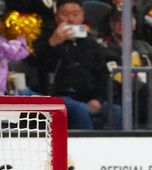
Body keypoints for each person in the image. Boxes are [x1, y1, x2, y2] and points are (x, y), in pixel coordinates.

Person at [31, 0, 121, 129]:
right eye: (65, 14)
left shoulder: (91, 43)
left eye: (75, 14)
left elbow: (103, 75)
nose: (71, 19)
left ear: (83, 16)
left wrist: (98, 100)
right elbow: (35, 64)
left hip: (88, 96)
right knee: (79, 109)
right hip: (58, 96)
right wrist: (52, 43)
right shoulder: (45, 39)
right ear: (57, 17)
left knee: (116, 110)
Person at [102, 8, 152, 128]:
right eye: (117, 21)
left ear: (134, 24)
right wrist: (149, 92)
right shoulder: (106, 48)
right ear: (112, 25)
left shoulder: (145, 47)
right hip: (123, 96)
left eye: (127, 20)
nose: (122, 24)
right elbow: (117, 75)